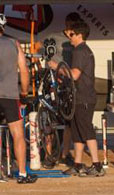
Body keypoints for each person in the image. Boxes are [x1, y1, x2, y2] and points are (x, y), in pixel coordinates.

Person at [48, 21, 105, 177]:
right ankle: (78, 164)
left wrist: (57, 67)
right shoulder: (83, 50)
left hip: (83, 98)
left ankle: (97, 165)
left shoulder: (80, 51)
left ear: (80, 35)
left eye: (71, 34)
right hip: (79, 97)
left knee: (86, 130)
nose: (69, 37)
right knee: (77, 132)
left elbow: (74, 74)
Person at [37, 12, 83, 169]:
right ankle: (49, 155)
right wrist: (41, 68)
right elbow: (37, 47)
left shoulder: (77, 40)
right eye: (70, 24)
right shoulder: (54, 37)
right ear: (66, 22)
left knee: (69, 121)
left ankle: (64, 154)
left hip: (69, 84)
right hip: (53, 82)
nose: (72, 27)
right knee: (49, 119)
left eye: (75, 24)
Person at [0, 13, 37, 184]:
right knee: (17, 134)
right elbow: (24, 70)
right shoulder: (13, 44)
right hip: (9, 94)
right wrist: (24, 92)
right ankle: (22, 173)